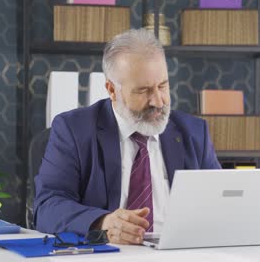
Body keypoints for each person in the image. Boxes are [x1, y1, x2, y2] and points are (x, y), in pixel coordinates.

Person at [33, 28, 221, 245]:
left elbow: (218, 204)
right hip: (109, 253)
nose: (158, 101)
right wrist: (102, 221)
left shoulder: (194, 132)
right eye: (143, 91)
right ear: (112, 90)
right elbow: (46, 207)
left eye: (163, 86)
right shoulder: (74, 130)